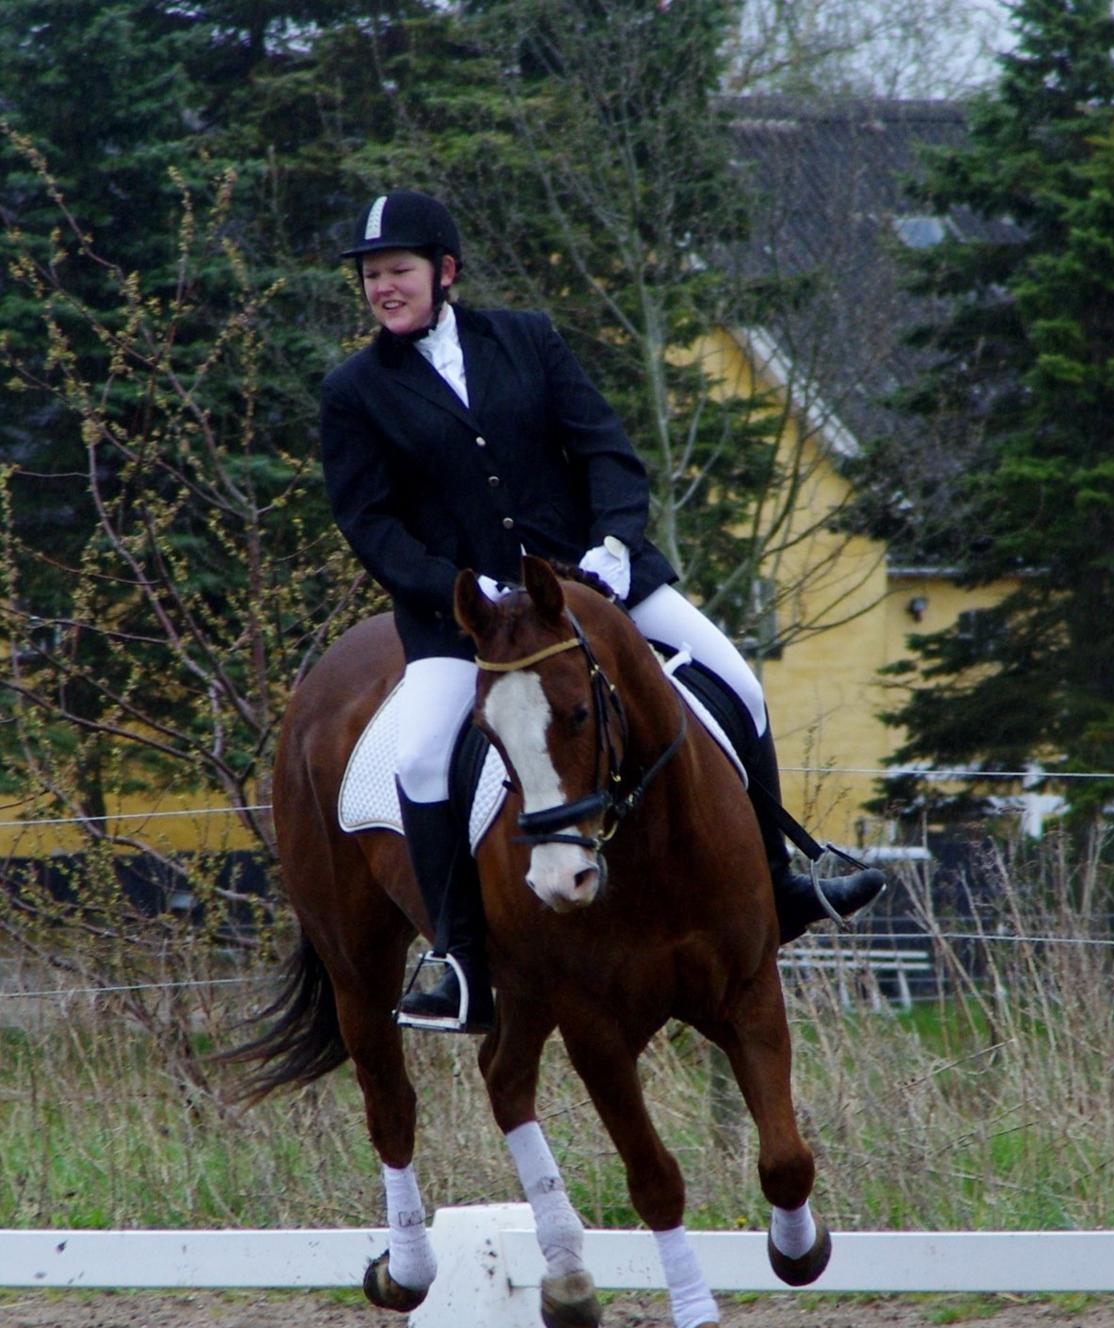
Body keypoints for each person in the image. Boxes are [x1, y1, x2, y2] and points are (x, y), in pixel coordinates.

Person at [320, 189, 886, 1033]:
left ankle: (780, 880)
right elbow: (369, 522)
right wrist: (456, 588)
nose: (381, 288)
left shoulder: (527, 338)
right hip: (463, 620)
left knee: (739, 680)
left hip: (598, 581)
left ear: (444, 272)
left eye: (396, 270)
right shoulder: (354, 390)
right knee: (423, 761)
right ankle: (458, 961)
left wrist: (614, 544)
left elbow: (604, 451)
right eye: (369, 276)